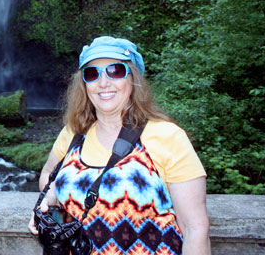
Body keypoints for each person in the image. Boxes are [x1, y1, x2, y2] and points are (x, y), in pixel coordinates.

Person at [28, 36, 211, 255]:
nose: (103, 82)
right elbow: (48, 174)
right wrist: (50, 198)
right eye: (92, 73)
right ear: (84, 85)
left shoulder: (167, 137)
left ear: (133, 79)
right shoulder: (74, 134)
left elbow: (195, 229)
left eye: (115, 71)